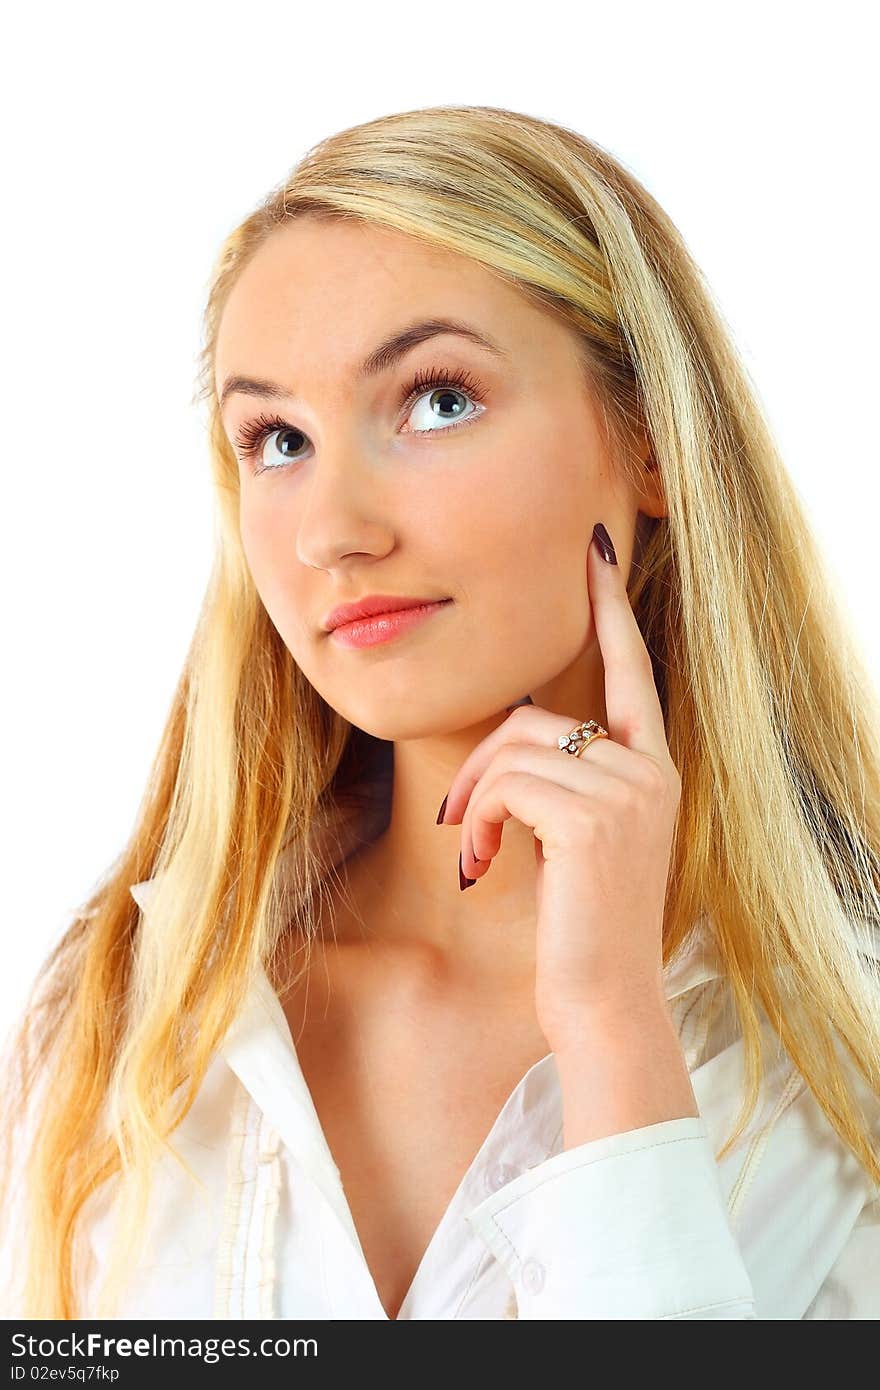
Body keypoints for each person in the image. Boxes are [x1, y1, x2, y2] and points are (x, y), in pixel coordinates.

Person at [2, 103, 879, 1322]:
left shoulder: (844, 1059)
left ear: (651, 444)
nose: (332, 531)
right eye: (277, 437)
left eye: (437, 399)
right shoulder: (128, 1009)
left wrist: (612, 1023)